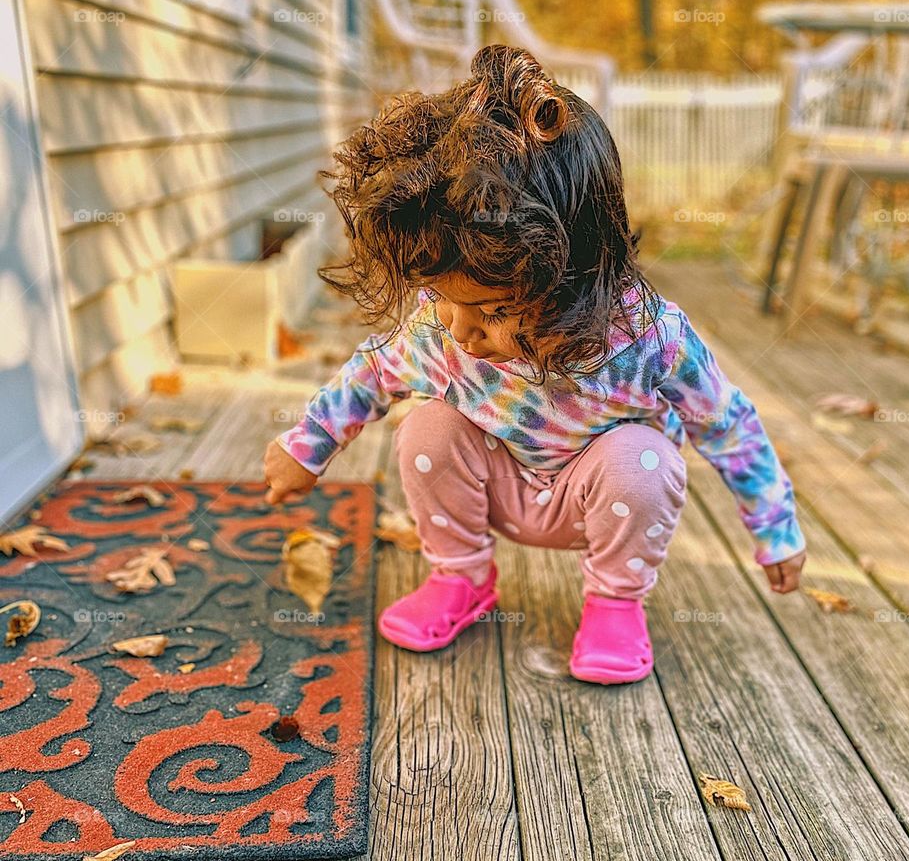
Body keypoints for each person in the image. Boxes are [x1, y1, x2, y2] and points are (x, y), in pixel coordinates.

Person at [263, 44, 806, 684]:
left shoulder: (647, 340)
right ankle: (460, 577)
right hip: (495, 485)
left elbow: (728, 423)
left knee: (643, 457)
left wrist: (774, 525)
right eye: (446, 300)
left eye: (490, 310)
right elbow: (370, 374)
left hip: (596, 497)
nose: (464, 332)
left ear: (571, 277)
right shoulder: (445, 327)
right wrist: (307, 446)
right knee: (425, 429)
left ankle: (613, 603)